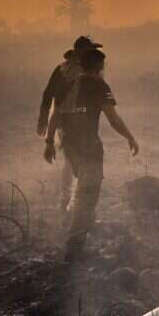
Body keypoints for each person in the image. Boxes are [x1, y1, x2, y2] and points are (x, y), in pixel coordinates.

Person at [44, 47, 139, 261]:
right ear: (99, 67)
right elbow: (113, 118)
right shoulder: (98, 85)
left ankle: (86, 225)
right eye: (103, 67)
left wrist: (50, 143)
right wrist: (130, 137)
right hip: (89, 149)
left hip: (70, 148)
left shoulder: (67, 85)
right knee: (86, 196)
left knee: (85, 191)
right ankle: (74, 249)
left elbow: (55, 116)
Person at [37, 35, 103, 206]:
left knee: (80, 158)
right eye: (90, 50)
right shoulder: (63, 70)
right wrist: (43, 118)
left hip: (84, 121)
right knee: (71, 158)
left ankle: (74, 199)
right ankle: (68, 198)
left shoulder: (91, 69)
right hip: (66, 119)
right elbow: (49, 94)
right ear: (80, 52)